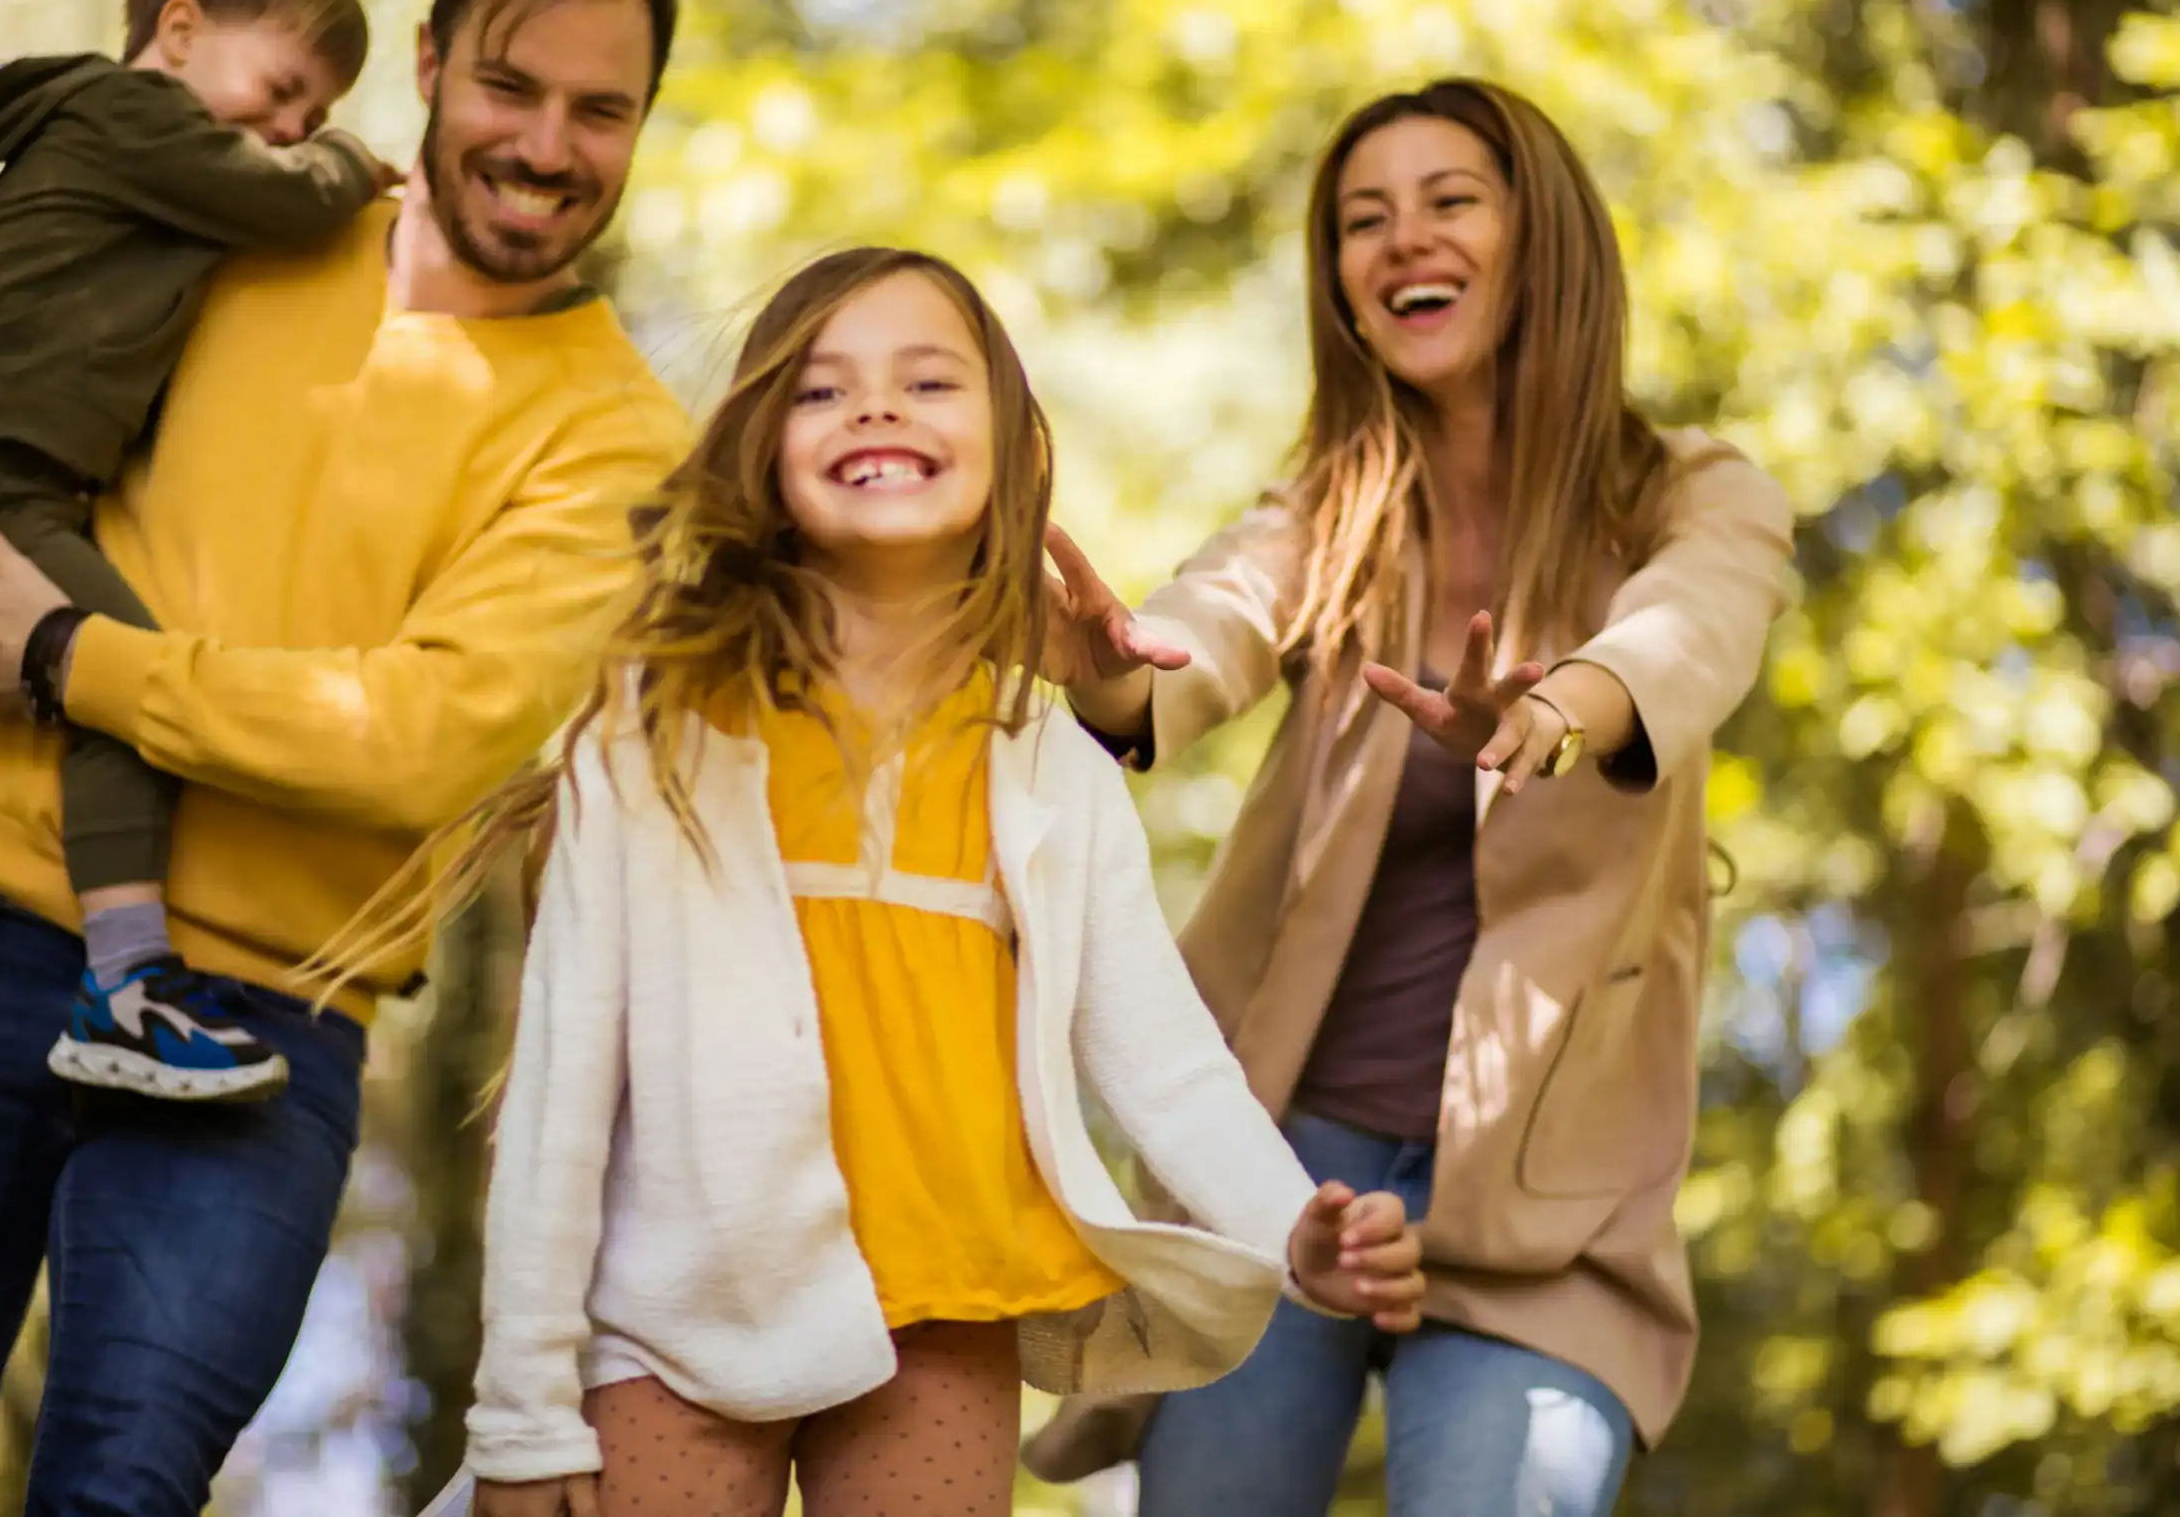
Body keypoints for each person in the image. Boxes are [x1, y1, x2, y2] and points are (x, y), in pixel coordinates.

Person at [0, 0, 693, 1517]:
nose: (548, 144)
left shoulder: (621, 439)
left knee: (119, 1493)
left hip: (266, 1022)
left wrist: (75, 659)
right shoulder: (242, 204)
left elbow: (423, 738)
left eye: (600, 109)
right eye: (509, 84)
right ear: (423, 63)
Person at [361, 247, 1428, 1517]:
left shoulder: (1053, 770)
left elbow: (1166, 1064)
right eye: (821, 392)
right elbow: (559, 1097)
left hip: (945, 1319)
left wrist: (1290, 1232)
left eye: (928, 382)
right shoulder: (656, 736)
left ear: (1009, 451)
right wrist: (526, 1416)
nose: (874, 410)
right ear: (761, 451)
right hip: (673, 1329)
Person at [1024, 79, 1796, 1516]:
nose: (1401, 241)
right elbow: (1211, 621)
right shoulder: (1332, 509)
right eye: (1362, 222)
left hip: (1546, 1201)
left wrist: (1555, 710)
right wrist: (1115, 677)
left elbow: (1696, 626)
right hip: (1285, 1166)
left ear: (1539, 239)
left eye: (1450, 201)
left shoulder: (1693, 494)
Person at [0, 0, 399, 1103]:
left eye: (316, 114)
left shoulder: (113, 151)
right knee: (118, 683)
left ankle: (122, 985)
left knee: (95, 676)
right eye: (289, 88)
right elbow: (286, 203)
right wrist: (351, 164)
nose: (295, 127)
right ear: (179, 33)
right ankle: (129, 986)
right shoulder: (129, 114)